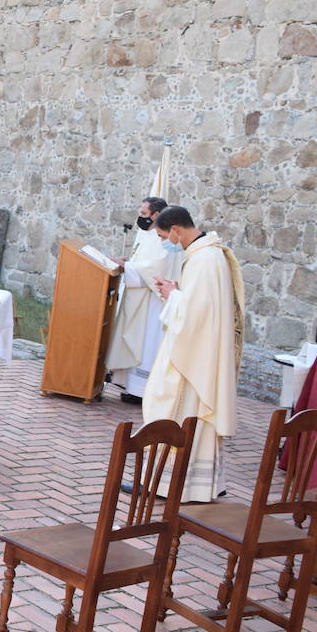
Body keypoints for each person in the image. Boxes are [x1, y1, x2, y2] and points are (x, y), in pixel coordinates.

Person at [143, 206, 244, 503]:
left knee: (181, 412)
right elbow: (200, 305)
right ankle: (190, 485)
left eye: (164, 236)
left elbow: (195, 316)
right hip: (199, 351)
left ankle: (171, 484)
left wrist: (171, 295)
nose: (165, 243)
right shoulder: (205, 254)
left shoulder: (205, 259)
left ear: (176, 229)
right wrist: (176, 291)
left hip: (195, 358)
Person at [108, 196, 179, 404]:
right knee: (137, 340)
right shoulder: (149, 234)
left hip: (153, 302)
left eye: (143, 214)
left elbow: (156, 269)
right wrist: (128, 262)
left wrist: (127, 267)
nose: (140, 217)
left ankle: (141, 391)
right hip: (140, 299)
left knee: (147, 344)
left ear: (156, 215)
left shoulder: (167, 239)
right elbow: (144, 262)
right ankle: (128, 385)